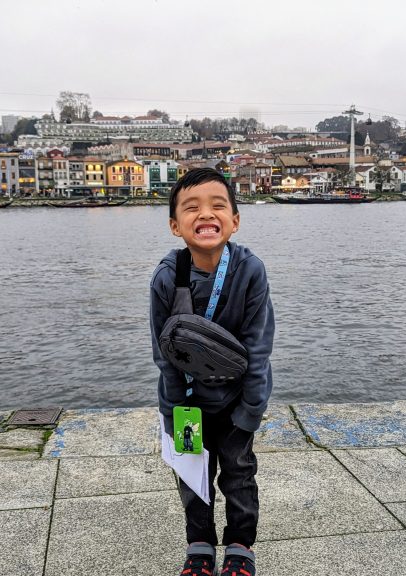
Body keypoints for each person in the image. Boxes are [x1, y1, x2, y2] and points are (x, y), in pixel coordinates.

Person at [150, 167, 275, 576]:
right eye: (191, 208)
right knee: (192, 478)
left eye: (218, 205)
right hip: (188, 401)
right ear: (175, 225)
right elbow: (163, 351)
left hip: (238, 399)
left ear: (234, 220)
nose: (206, 214)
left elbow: (259, 345)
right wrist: (172, 411)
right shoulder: (167, 278)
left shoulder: (250, 271)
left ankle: (240, 546)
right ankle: (199, 545)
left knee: (239, 475)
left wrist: (251, 409)